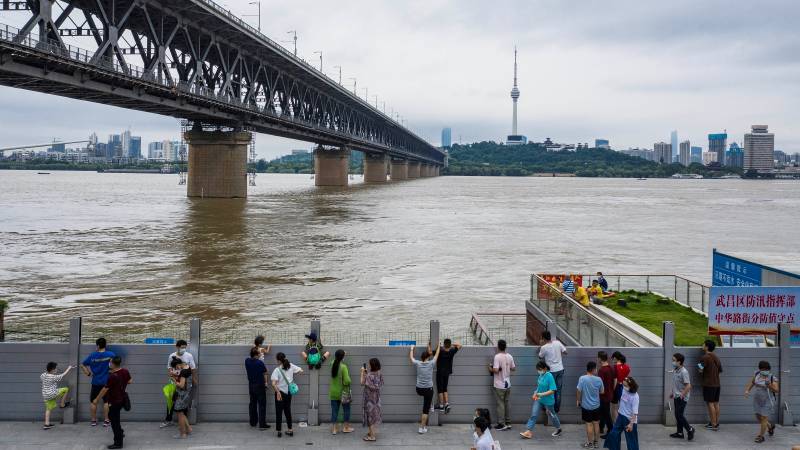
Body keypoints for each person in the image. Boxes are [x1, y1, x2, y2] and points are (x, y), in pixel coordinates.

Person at [92, 356, 131, 450]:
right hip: (122, 399)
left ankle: (118, 443)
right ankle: (120, 433)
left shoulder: (112, 376)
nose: (109, 364)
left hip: (114, 401)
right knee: (115, 418)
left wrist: (96, 399)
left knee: (114, 422)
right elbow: (130, 381)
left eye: (110, 362)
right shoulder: (125, 371)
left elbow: (105, 389)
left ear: (113, 364)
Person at [519, 361, 562, 439]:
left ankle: (558, 428)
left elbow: (553, 390)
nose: (538, 371)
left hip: (548, 401)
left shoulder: (549, 376)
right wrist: (535, 393)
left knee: (552, 415)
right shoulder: (540, 376)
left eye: (540, 369)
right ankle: (528, 432)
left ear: (545, 368)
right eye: (537, 369)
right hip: (539, 399)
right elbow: (539, 387)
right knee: (534, 414)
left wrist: (541, 394)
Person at [80, 337, 115, 427]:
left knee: (93, 401)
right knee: (106, 402)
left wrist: (88, 373)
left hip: (95, 382)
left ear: (98, 345)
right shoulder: (111, 354)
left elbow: (82, 364)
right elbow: (115, 365)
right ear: (105, 345)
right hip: (106, 382)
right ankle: (106, 420)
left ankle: (93, 420)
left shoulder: (92, 356)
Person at [161, 340, 196, 428]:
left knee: (184, 402)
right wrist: (172, 376)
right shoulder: (172, 356)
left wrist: (194, 379)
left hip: (184, 384)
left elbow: (193, 369)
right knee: (171, 400)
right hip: (174, 382)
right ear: (177, 346)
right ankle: (169, 420)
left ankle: (184, 422)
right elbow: (169, 367)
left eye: (185, 347)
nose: (183, 349)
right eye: (182, 347)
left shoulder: (189, 356)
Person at [409, 343, 441, 434]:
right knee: (425, 410)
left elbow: (411, 358)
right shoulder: (431, 363)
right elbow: (437, 354)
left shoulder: (418, 363)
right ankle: (422, 428)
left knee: (428, 396)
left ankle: (430, 404)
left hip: (419, 389)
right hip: (428, 390)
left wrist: (412, 349)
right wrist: (438, 345)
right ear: (428, 357)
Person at [744, 360, 779, 444]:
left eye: (767, 369)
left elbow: (776, 390)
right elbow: (752, 382)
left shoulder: (771, 378)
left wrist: (769, 385)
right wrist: (747, 390)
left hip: (768, 400)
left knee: (764, 417)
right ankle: (770, 427)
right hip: (758, 399)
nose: (766, 371)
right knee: (758, 416)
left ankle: (761, 436)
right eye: (764, 369)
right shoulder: (756, 374)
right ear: (760, 369)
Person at [271, 352, 303, 437]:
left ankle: (279, 431)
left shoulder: (277, 370)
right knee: (287, 411)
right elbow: (301, 371)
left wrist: (277, 392)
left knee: (279, 412)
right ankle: (290, 430)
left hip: (280, 393)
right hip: (288, 392)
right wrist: (291, 378)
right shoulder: (291, 366)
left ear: (278, 360)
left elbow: (273, 384)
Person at [603, 376, 639, 450]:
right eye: (624, 381)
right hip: (621, 416)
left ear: (630, 385)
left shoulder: (635, 396)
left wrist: (631, 424)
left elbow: (635, 413)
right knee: (613, 434)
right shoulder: (623, 389)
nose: (624, 381)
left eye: (626, 382)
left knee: (631, 440)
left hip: (629, 419)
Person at [489, 339, 515, 431]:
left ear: (498, 347)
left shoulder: (497, 357)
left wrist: (489, 367)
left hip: (499, 384)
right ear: (505, 347)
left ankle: (501, 423)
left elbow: (495, 370)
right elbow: (513, 368)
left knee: (500, 404)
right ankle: (508, 423)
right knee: (506, 403)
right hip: (508, 384)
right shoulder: (510, 356)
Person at [577, 361, 604, 448]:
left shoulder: (582, 378)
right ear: (593, 369)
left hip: (586, 406)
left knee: (589, 424)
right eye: (596, 368)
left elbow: (578, 390)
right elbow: (602, 391)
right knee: (596, 423)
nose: (596, 370)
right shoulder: (599, 379)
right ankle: (596, 443)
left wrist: (578, 400)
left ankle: (590, 443)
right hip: (596, 406)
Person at [539, 331, 567, 413]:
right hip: (560, 369)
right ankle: (556, 409)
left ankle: (548, 407)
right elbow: (566, 352)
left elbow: (540, 356)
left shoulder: (544, 347)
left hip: (551, 371)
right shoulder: (557, 343)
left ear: (543, 338)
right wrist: (559, 355)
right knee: (558, 390)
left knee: (549, 390)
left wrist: (541, 345)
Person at [41, 362, 74, 429]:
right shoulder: (53, 377)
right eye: (56, 368)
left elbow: (46, 374)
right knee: (66, 389)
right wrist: (69, 368)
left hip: (45, 395)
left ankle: (46, 424)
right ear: (52, 370)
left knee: (48, 409)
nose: (56, 369)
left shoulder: (43, 375)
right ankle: (62, 404)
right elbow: (63, 375)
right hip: (52, 393)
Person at [245, 347, 270, 431]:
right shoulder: (260, 363)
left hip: (251, 386)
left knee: (252, 404)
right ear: (256, 355)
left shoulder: (247, 361)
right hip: (260, 386)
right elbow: (266, 372)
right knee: (262, 405)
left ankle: (253, 422)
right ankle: (262, 424)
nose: (260, 354)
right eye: (259, 353)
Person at [670, 353, 694, 441]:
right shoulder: (676, 370)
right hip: (677, 396)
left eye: (674, 360)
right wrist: (672, 392)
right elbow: (676, 383)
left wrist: (682, 395)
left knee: (679, 415)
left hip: (682, 397)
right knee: (677, 415)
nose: (672, 362)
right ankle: (680, 433)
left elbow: (688, 386)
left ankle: (690, 429)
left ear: (679, 362)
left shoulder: (684, 372)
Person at [329, 349, 354, 435]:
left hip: (333, 392)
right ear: (343, 357)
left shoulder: (332, 364)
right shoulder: (343, 367)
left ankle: (334, 429)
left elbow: (336, 359)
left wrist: (342, 354)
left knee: (334, 411)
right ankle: (346, 428)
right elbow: (347, 381)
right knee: (346, 410)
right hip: (343, 393)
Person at [699, 339, 722, 431]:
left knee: (710, 404)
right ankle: (716, 422)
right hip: (717, 384)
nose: (702, 345)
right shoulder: (716, 357)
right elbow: (720, 371)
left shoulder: (704, 357)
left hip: (708, 384)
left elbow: (700, 370)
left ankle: (713, 424)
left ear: (707, 347)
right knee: (716, 403)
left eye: (703, 344)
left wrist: (700, 369)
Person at [435, 338, 461, 413]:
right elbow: (459, 345)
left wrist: (439, 346)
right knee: (445, 388)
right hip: (447, 372)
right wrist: (451, 345)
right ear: (449, 345)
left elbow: (434, 352)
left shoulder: (441, 351)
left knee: (440, 389)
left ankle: (441, 405)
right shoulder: (452, 351)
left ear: (444, 344)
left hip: (440, 372)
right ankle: (447, 404)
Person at [361, 357, 384, 442]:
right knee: (374, 416)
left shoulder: (369, 376)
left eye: (370, 363)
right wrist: (367, 374)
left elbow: (362, 383)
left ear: (372, 365)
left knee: (369, 417)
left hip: (369, 400)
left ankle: (372, 436)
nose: (369, 365)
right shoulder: (379, 373)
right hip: (377, 399)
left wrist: (362, 372)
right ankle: (371, 432)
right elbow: (381, 384)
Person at [173, 358, 193, 439]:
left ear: (178, 365)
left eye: (176, 367)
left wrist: (174, 380)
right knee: (182, 413)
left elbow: (181, 385)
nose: (177, 369)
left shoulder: (183, 372)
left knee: (179, 414)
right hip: (186, 394)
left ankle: (182, 433)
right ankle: (188, 429)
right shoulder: (188, 367)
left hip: (181, 395)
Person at [597, 351, 615, 438]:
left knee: (606, 413)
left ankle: (610, 430)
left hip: (603, 395)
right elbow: (615, 380)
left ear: (600, 359)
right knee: (603, 411)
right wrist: (611, 389)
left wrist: (600, 393)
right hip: (610, 394)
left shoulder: (601, 370)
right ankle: (601, 427)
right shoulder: (611, 368)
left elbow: (600, 385)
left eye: (598, 358)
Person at [610, 351, 630, 421]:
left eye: (613, 358)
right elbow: (626, 377)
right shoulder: (627, 367)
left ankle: (615, 423)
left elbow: (615, 380)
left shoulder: (615, 367)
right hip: (624, 388)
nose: (613, 360)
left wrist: (612, 390)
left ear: (615, 358)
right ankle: (624, 422)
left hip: (617, 387)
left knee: (614, 407)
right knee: (623, 407)